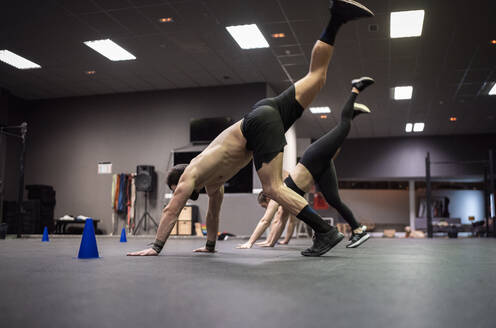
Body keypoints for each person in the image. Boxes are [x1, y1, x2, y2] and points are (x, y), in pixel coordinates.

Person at [128, 0, 374, 257]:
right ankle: (337, 18)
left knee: (273, 188)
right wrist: (210, 245)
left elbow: (171, 210)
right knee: (316, 77)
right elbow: (213, 214)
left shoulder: (192, 172)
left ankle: (325, 232)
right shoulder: (213, 183)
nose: (184, 195)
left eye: (179, 190)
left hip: (256, 124)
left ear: (179, 181)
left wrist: (156, 247)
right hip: (266, 113)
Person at [238, 77, 374, 250]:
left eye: (265, 205)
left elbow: (268, 220)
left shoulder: (274, 193)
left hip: (313, 159)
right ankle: (358, 230)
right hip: (318, 167)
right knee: (334, 200)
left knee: (343, 127)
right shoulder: (285, 198)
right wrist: (272, 242)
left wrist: (250, 242)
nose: (267, 208)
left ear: (267, 198)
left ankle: (355, 89)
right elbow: (282, 221)